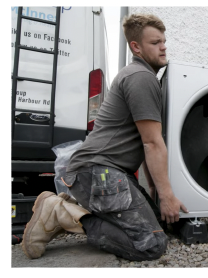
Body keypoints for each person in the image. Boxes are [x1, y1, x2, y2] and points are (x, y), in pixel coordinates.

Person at [22, 13, 188, 261]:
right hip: (98, 172)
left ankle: (74, 207)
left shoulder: (140, 75)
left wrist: (153, 187)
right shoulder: (140, 78)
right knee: (151, 243)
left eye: (163, 41)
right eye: (155, 43)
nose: (163, 47)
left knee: (157, 226)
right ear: (136, 47)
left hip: (104, 172)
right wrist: (166, 195)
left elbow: (144, 141)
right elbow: (152, 143)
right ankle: (62, 213)